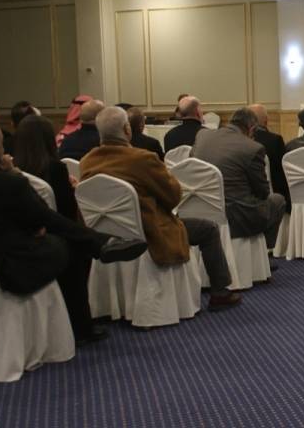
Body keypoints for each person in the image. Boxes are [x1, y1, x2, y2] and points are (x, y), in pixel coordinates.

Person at [0, 119, 147, 344]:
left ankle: (99, 244)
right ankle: (81, 326)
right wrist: (14, 173)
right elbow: (43, 215)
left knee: (57, 236)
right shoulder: (6, 183)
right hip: (6, 268)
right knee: (69, 248)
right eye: (0, 144)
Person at [80, 107, 240, 310]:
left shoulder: (86, 162)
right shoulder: (142, 159)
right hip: (149, 231)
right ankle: (220, 293)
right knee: (208, 229)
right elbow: (173, 197)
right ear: (127, 129)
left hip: (104, 233)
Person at [193, 107, 286, 249]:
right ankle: (263, 250)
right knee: (277, 200)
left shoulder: (202, 136)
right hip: (237, 216)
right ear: (252, 129)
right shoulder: (253, 148)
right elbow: (263, 192)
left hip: (201, 207)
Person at [13, 115, 79, 220]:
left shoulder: (12, 168)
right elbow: (68, 212)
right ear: (50, 139)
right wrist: (74, 190)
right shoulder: (56, 169)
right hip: (55, 225)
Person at [249, 103, 291, 212]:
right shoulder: (275, 140)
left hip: (246, 196)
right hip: (272, 195)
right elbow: (282, 172)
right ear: (266, 120)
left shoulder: (240, 141)